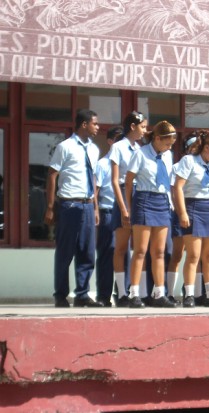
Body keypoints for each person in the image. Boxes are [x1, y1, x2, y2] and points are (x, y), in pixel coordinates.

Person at [44, 109, 103, 307]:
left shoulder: (94, 149)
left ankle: (82, 295)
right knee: (65, 251)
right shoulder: (65, 146)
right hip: (69, 204)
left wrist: (95, 208)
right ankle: (60, 295)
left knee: (87, 252)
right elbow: (52, 175)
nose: (98, 127)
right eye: (95, 123)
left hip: (88, 205)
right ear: (84, 124)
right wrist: (50, 207)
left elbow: (93, 178)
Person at [173, 130, 209, 308]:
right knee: (193, 255)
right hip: (193, 206)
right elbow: (178, 187)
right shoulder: (189, 161)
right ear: (206, 148)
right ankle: (189, 294)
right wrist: (182, 212)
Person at [124, 121, 178, 308]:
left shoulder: (168, 155)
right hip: (144, 199)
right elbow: (129, 182)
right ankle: (134, 294)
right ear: (157, 138)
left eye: (171, 144)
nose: (169, 147)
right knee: (140, 250)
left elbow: (169, 182)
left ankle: (159, 293)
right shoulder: (140, 154)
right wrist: (129, 208)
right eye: (167, 143)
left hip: (162, 201)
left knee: (159, 251)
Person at [110, 111, 148, 307]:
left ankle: (139, 292)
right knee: (121, 247)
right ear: (132, 126)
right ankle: (122, 293)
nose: (145, 131)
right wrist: (124, 208)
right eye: (142, 127)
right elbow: (115, 181)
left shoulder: (140, 149)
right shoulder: (118, 147)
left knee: (140, 248)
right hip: (124, 195)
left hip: (139, 195)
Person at [166, 132, 201, 304]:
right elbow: (174, 191)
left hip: (198, 212)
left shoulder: (203, 165)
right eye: (192, 147)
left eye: (198, 147)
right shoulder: (178, 166)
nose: (195, 149)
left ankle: (194, 292)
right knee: (177, 254)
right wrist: (180, 212)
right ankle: (169, 293)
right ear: (187, 148)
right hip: (181, 212)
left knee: (196, 254)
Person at [94, 125, 123, 307]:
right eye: (118, 139)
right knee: (107, 255)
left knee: (124, 255)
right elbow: (95, 191)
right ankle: (104, 296)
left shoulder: (126, 164)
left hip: (124, 214)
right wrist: (95, 210)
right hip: (108, 213)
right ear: (110, 141)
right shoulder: (103, 164)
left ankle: (123, 294)